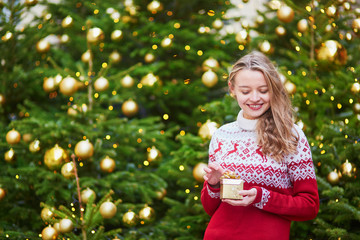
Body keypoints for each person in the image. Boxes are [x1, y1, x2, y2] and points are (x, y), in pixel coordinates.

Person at [201, 51, 319, 240]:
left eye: (263, 90)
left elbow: (309, 206)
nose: (255, 98)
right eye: (245, 91)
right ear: (232, 89)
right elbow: (211, 208)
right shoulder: (221, 135)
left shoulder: (291, 135)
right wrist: (214, 185)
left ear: (273, 88)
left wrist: (261, 197)